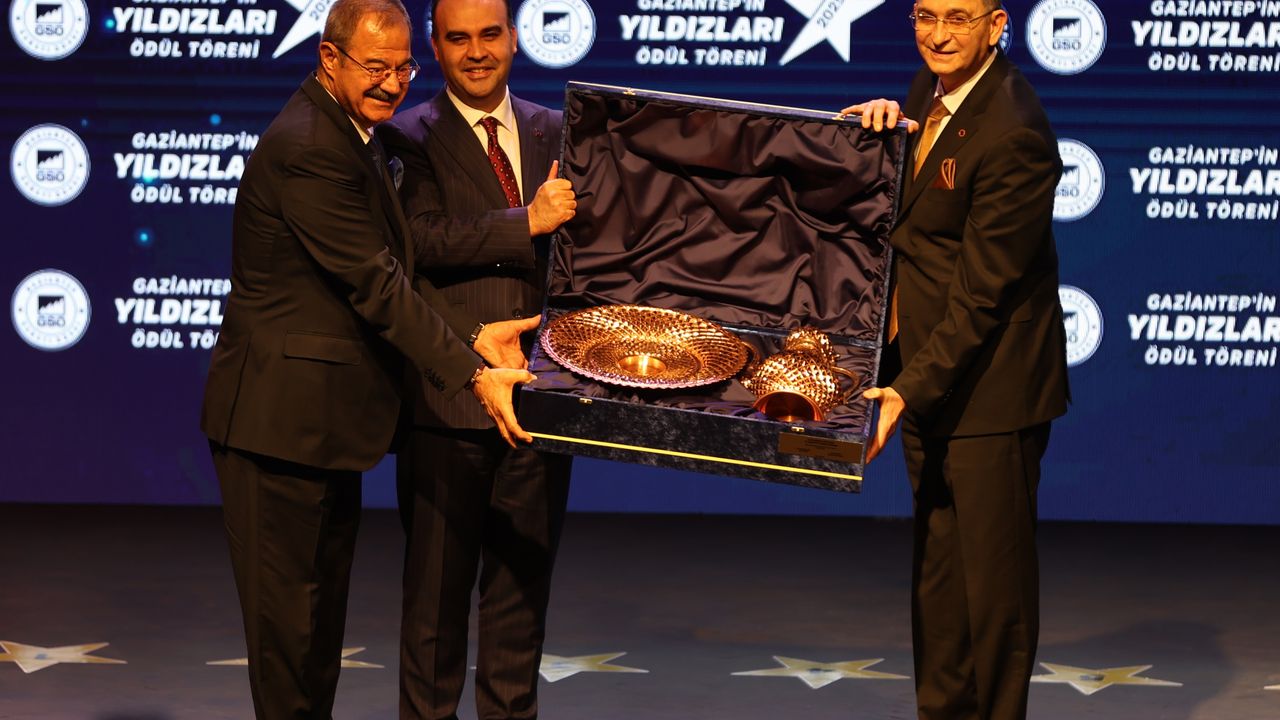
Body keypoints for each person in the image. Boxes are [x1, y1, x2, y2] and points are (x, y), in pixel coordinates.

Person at [200, 0, 541, 715]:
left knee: (317, 638)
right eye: (374, 67)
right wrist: (474, 374)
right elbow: (376, 285)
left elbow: (395, 269)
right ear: (329, 58)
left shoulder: (352, 134)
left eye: (402, 68)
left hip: (325, 430)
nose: (391, 83)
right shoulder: (310, 147)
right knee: (291, 648)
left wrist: (474, 333)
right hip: (278, 430)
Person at [843, 1, 1070, 718]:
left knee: (994, 595)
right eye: (925, 16)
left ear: (997, 25)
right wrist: (877, 139)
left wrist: (905, 391)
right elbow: (915, 222)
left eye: (959, 19)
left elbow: (980, 295)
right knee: (940, 578)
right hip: (928, 374)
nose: (938, 36)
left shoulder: (1015, 132)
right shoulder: (927, 90)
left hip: (992, 390)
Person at [374, 0, 577, 717]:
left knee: (520, 608)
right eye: (458, 38)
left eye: (490, 34)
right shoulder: (405, 136)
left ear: (514, 38)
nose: (477, 51)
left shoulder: (560, 130)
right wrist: (528, 221)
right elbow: (417, 240)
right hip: (448, 403)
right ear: (434, 48)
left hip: (539, 403)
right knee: (434, 612)